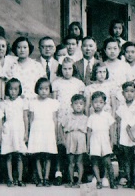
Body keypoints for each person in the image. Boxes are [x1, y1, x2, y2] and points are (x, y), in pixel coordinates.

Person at [51, 57, 85, 185]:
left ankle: (75, 174)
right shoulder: (57, 83)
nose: (67, 71)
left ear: (73, 69)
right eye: (64, 69)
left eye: (69, 68)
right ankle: (59, 172)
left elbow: (81, 100)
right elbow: (54, 102)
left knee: (75, 147)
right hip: (61, 116)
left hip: (74, 118)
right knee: (61, 145)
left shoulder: (78, 83)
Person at [28, 77, 60, 187]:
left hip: (48, 129)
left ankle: (46, 177)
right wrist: (29, 133)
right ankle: (40, 178)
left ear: (50, 90)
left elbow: (55, 119)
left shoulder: (53, 102)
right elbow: (31, 119)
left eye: (46, 89)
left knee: (48, 154)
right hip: (37, 129)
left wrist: (55, 133)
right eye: (41, 89)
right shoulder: (33, 102)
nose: (43, 91)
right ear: (37, 89)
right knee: (37, 154)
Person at [0, 78, 28, 187]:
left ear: (19, 90)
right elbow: (1, 120)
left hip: (19, 129)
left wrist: (26, 133)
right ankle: (10, 179)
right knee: (9, 155)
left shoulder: (22, 102)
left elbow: (25, 118)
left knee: (20, 155)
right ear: (7, 90)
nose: (13, 92)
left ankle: (20, 179)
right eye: (11, 89)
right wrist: (1, 134)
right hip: (8, 130)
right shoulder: (3, 103)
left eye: (16, 89)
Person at [87, 91, 118, 189]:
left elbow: (112, 129)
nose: (98, 105)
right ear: (92, 104)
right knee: (95, 161)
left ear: (104, 104)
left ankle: (112, 181)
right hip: (94, 140)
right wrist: (88, 144)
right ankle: (99, 181)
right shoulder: (91, 117)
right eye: (95, 102)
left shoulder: (107, 115)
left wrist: (112, 140)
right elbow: (89, 131)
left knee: (107, 161)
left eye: (100, 102)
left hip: (105, 139)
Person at [115, 81, 135, 188]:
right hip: (124, 136)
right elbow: (119, 122)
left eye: (132, 91)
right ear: (122, 93)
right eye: (126, 91)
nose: (129, 94)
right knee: (126, 158)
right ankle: (129, 179)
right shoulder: (121, 107)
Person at [62, 94, 89, 188]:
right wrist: (63, 140)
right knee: (71, 162)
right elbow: (61, 127)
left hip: (81, 139)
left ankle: (79, 181)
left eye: (81, 104)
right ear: (71, 105)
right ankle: (71, 181)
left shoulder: (86, 118)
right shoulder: (68, 116)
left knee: (79, 162)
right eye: (76, 103)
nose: (78, 105)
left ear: (84, 106)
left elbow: (88, 132)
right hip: (70, 138)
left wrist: (88, 144)